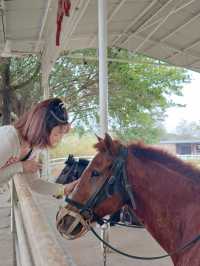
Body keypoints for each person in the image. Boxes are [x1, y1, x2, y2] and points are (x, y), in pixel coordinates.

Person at [0, 98, 78, 197]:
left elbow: (34, 183)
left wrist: (64, 190)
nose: (59, 139)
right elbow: (22, 167)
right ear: (42, 128)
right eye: (57, 134)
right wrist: (21, 166)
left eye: (61, 135)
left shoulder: (33, 148)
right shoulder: (8, 139)